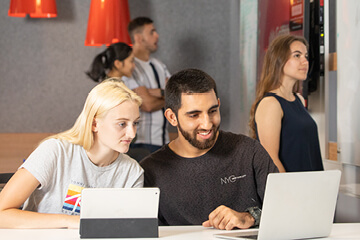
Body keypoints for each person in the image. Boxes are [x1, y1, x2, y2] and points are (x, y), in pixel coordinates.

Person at [140, 69, 278, 230]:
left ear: (218, 105)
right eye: (194, 115)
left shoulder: (249, 151)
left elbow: (284, 208)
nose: (207, 124)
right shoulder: (150, 172)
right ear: (172, 117)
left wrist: (250, 217)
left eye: (212, 111)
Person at [0, 78, 144, 228]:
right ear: (95, 124)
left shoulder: (132, 172)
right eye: (122, 124)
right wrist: (68, 221)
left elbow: (128, 229)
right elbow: (2, 214)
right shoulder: (55, 151)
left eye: (135, 123)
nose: (132, 133)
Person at [249, 34, 324, 172]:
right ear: (279, 60)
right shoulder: (270, 104)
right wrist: (289, 191)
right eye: (297, 55)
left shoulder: (299, 100)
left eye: (305, 56)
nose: (305, 61)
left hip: (313, 186)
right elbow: (270, 159)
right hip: (291, 189)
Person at [123, 17, 171, 154]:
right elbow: (147, 105)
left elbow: (179, 93)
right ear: (138, 38)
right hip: (142, 144)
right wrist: (168, 95)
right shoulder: (129, 67)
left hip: (165, 142)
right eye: (152, 32)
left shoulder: (159, 65)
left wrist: (157, 93)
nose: (157, 35)